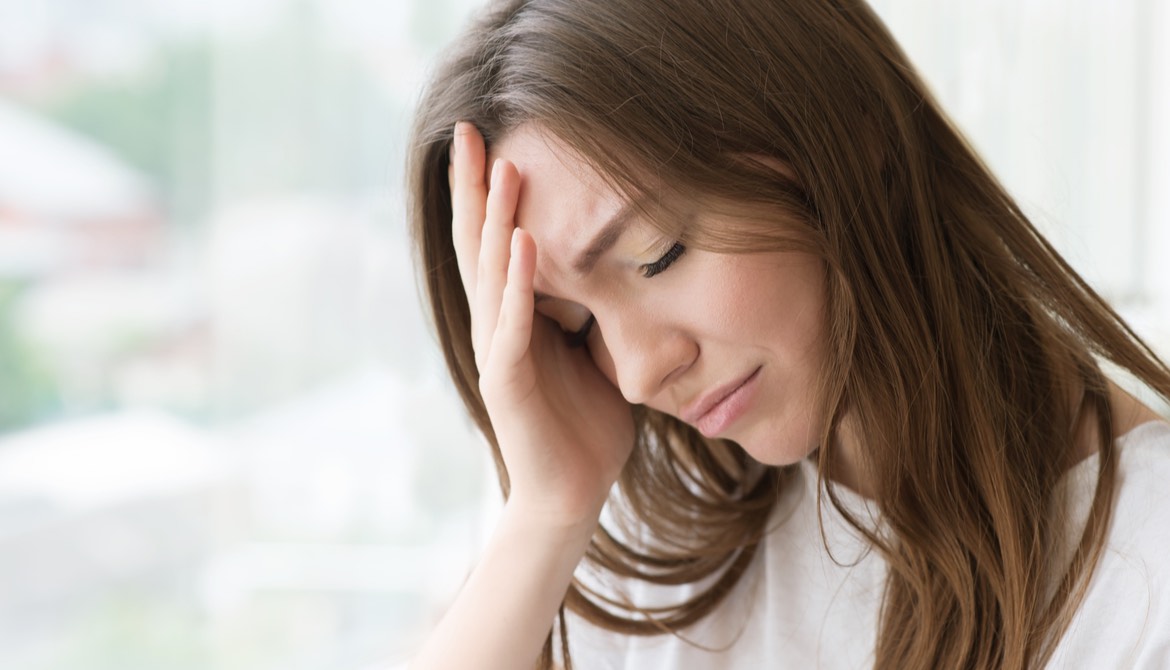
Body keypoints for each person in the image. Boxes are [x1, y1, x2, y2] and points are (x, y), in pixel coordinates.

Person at [404, 0, 1170, 668]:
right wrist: (547, 511)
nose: (637, 376)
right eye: (575, 327)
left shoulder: (1144, 576)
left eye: (656, 254)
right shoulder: (657, 551)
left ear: (845, 134)